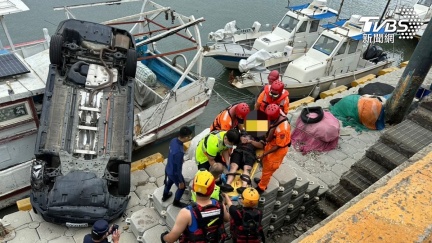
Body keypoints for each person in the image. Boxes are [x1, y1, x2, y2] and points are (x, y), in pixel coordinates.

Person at [161, 169, 230, 243]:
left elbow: (171, 239)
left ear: (193, 188)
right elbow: (227, 218)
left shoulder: (186, 213)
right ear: (213, 189)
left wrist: (163, 237)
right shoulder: (220, 206)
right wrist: (228, 202)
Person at [255, 104, 291, 194]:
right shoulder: (277, 113)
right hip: (271, 144)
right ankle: (262, 180)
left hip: (277, 150)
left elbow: (278, 146)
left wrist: (264, 154)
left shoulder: (283, 129)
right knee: (265, 166)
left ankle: (261, 187)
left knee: (269, 168)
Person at [162, 127, 193, 208]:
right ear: (185, 137)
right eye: (189, 137)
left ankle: (165, 196)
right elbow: (178, 170)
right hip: (174, 172)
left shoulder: (173, 140)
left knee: (169, 182)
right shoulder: (179, 152)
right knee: (181, 188)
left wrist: (180, 159)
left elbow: (171, 154)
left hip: (168, 167)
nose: (190, 138)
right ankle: (176, 202)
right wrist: (181, 182)